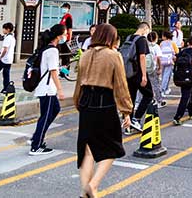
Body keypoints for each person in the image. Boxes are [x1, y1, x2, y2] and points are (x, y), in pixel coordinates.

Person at [74, 23, 132, 198]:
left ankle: (85, 191)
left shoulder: (85, 55)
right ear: (111, 38)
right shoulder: (114, 55)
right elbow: (121, 85)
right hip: (104, 101)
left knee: (87, 149)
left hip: (85, 102)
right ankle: (93, 185)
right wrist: (126, 111)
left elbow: (78, 83)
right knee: (112, 147)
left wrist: (78, 103)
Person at [29, 24, 66, 155]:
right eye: (64, 34)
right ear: (58, 36)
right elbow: (53, 71)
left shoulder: (47, 49)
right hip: (47, 89)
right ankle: (36, 145)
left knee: (54, 110)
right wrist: (60, 90)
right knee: (45, 116)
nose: (66, 36)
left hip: (46, 88)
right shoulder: (52, 51)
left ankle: (37, 137)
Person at [125, 23, 154, 133]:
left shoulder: (129, 38)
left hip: (128, 72)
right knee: (149, 94)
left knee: (131, 98)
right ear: (145, 29)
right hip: (138, 72)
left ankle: (127, 125)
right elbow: (142, 57)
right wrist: (144, 75)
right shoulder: (141, 40)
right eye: (148, 31)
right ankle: (136, 119)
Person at [173, 36, 192, 126]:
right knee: (185, 97)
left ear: (188, 43)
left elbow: (174, 58)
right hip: (189, 76)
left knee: (185, 94)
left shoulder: (183, 51)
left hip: (180, 76)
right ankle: (177, 117)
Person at [146, 32, 166, 108]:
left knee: (146, 85)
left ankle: (148, 100)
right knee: (155, 85)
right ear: (156, 38)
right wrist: (160, 68)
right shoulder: (156, 46)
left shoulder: (145, 46)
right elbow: (158, 58)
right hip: (153, 68)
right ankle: (159, 101)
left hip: (145, 68)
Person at [159, 31, 176, 96]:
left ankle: (165, 88)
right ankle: (163, 89)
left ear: (165, 37)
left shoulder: (161, 43)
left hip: (162, 61)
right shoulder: (172, 43)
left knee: (163, 75)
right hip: (169, 61)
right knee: (167, 76)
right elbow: (176, 51)